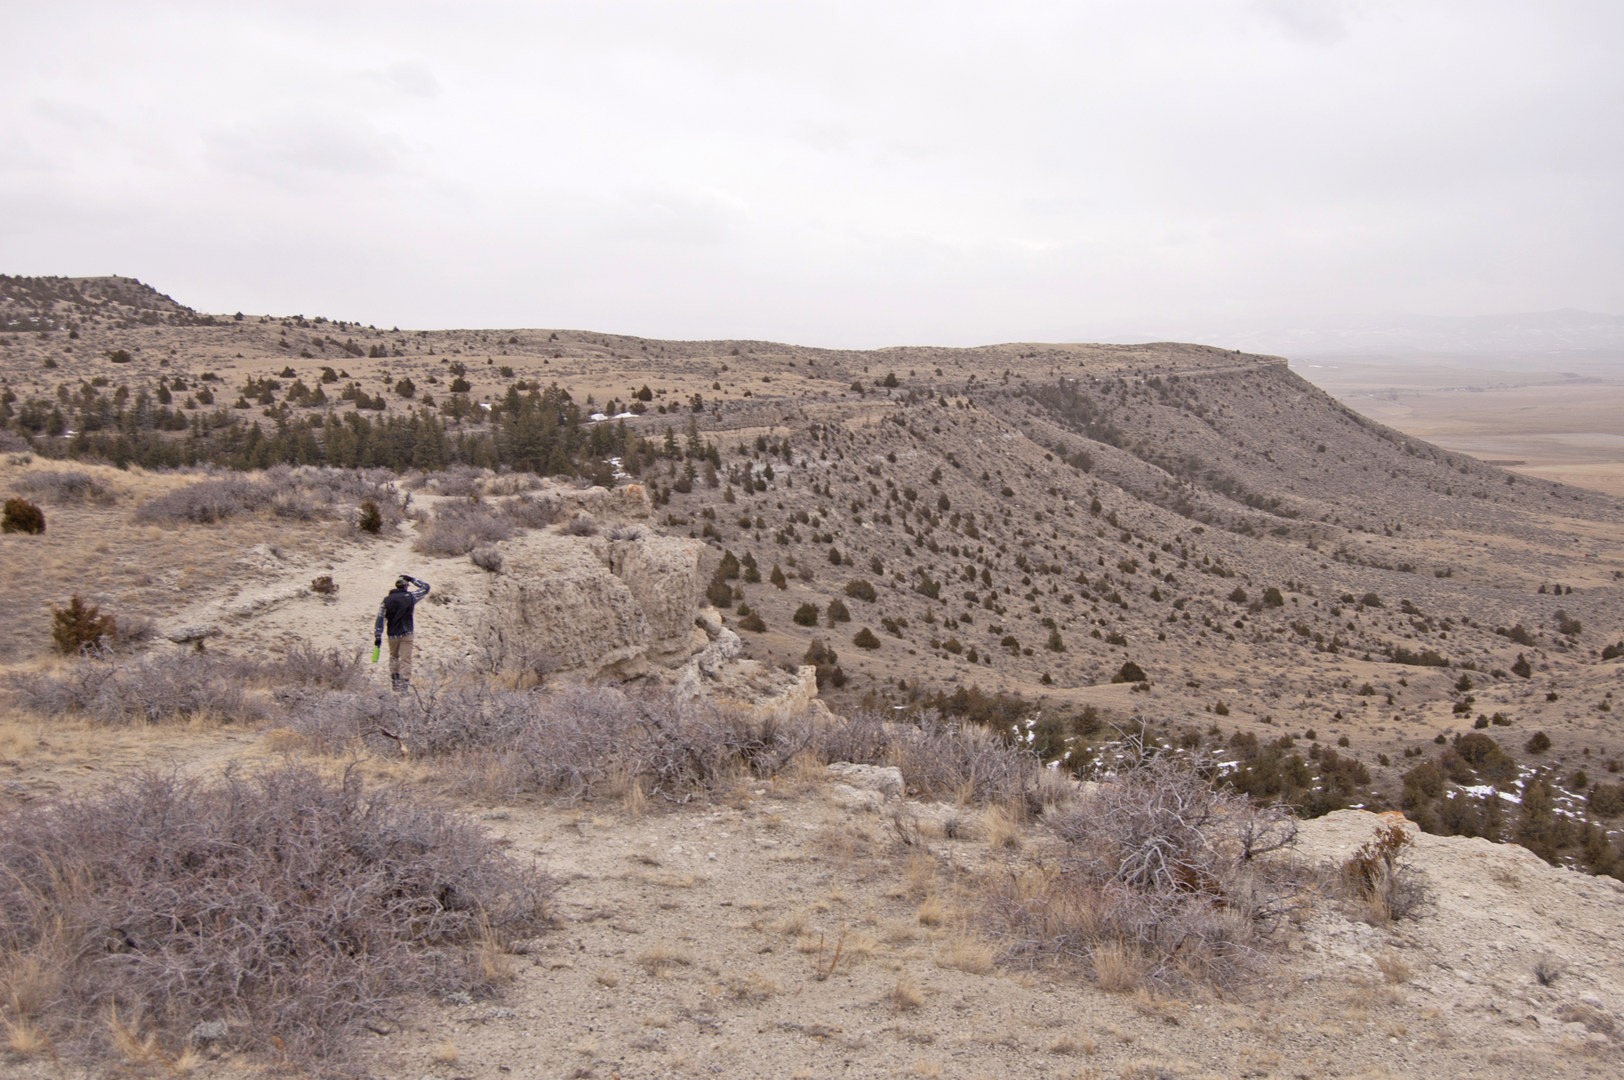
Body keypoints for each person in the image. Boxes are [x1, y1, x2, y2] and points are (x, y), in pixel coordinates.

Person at [374, 574, 430, 691]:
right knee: (406, 659)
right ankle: (404, 686)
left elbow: (380, 618)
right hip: (406, 633)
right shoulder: (410, 597)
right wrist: (413, 579)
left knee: (393, 657)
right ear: (406, 587)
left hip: (392, 634)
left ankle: (395, 683)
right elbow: (426, 588)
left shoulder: (386, 600)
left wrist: (378, 635)